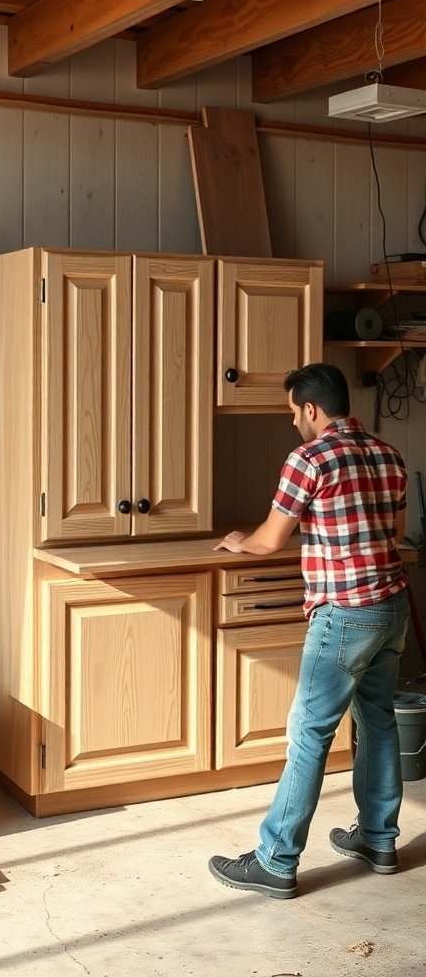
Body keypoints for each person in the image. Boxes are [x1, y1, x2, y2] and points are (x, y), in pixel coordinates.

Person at [209, 363, 410, 900]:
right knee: (378, 721)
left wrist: (238, 540)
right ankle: (379, 839)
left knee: (309, 734)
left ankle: (276, 860)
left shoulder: (309, 457)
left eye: (293, 411)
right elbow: (389, 534)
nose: (293, 420)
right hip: (391, 605)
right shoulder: (389, 455)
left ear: (312, 409)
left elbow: (271, 539)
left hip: (343, 613)